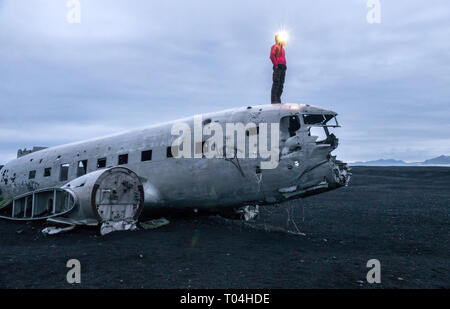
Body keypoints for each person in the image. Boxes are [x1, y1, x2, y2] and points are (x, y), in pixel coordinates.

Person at [270, 33, 287, 104]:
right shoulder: (275, 46)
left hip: (283, 66)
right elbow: (272, 56)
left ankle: (278, 99)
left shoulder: (282, 49)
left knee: (281, 84)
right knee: (276, 83)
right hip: (278, 66)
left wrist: (285, 65)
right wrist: (276, 64)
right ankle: (274, 100)